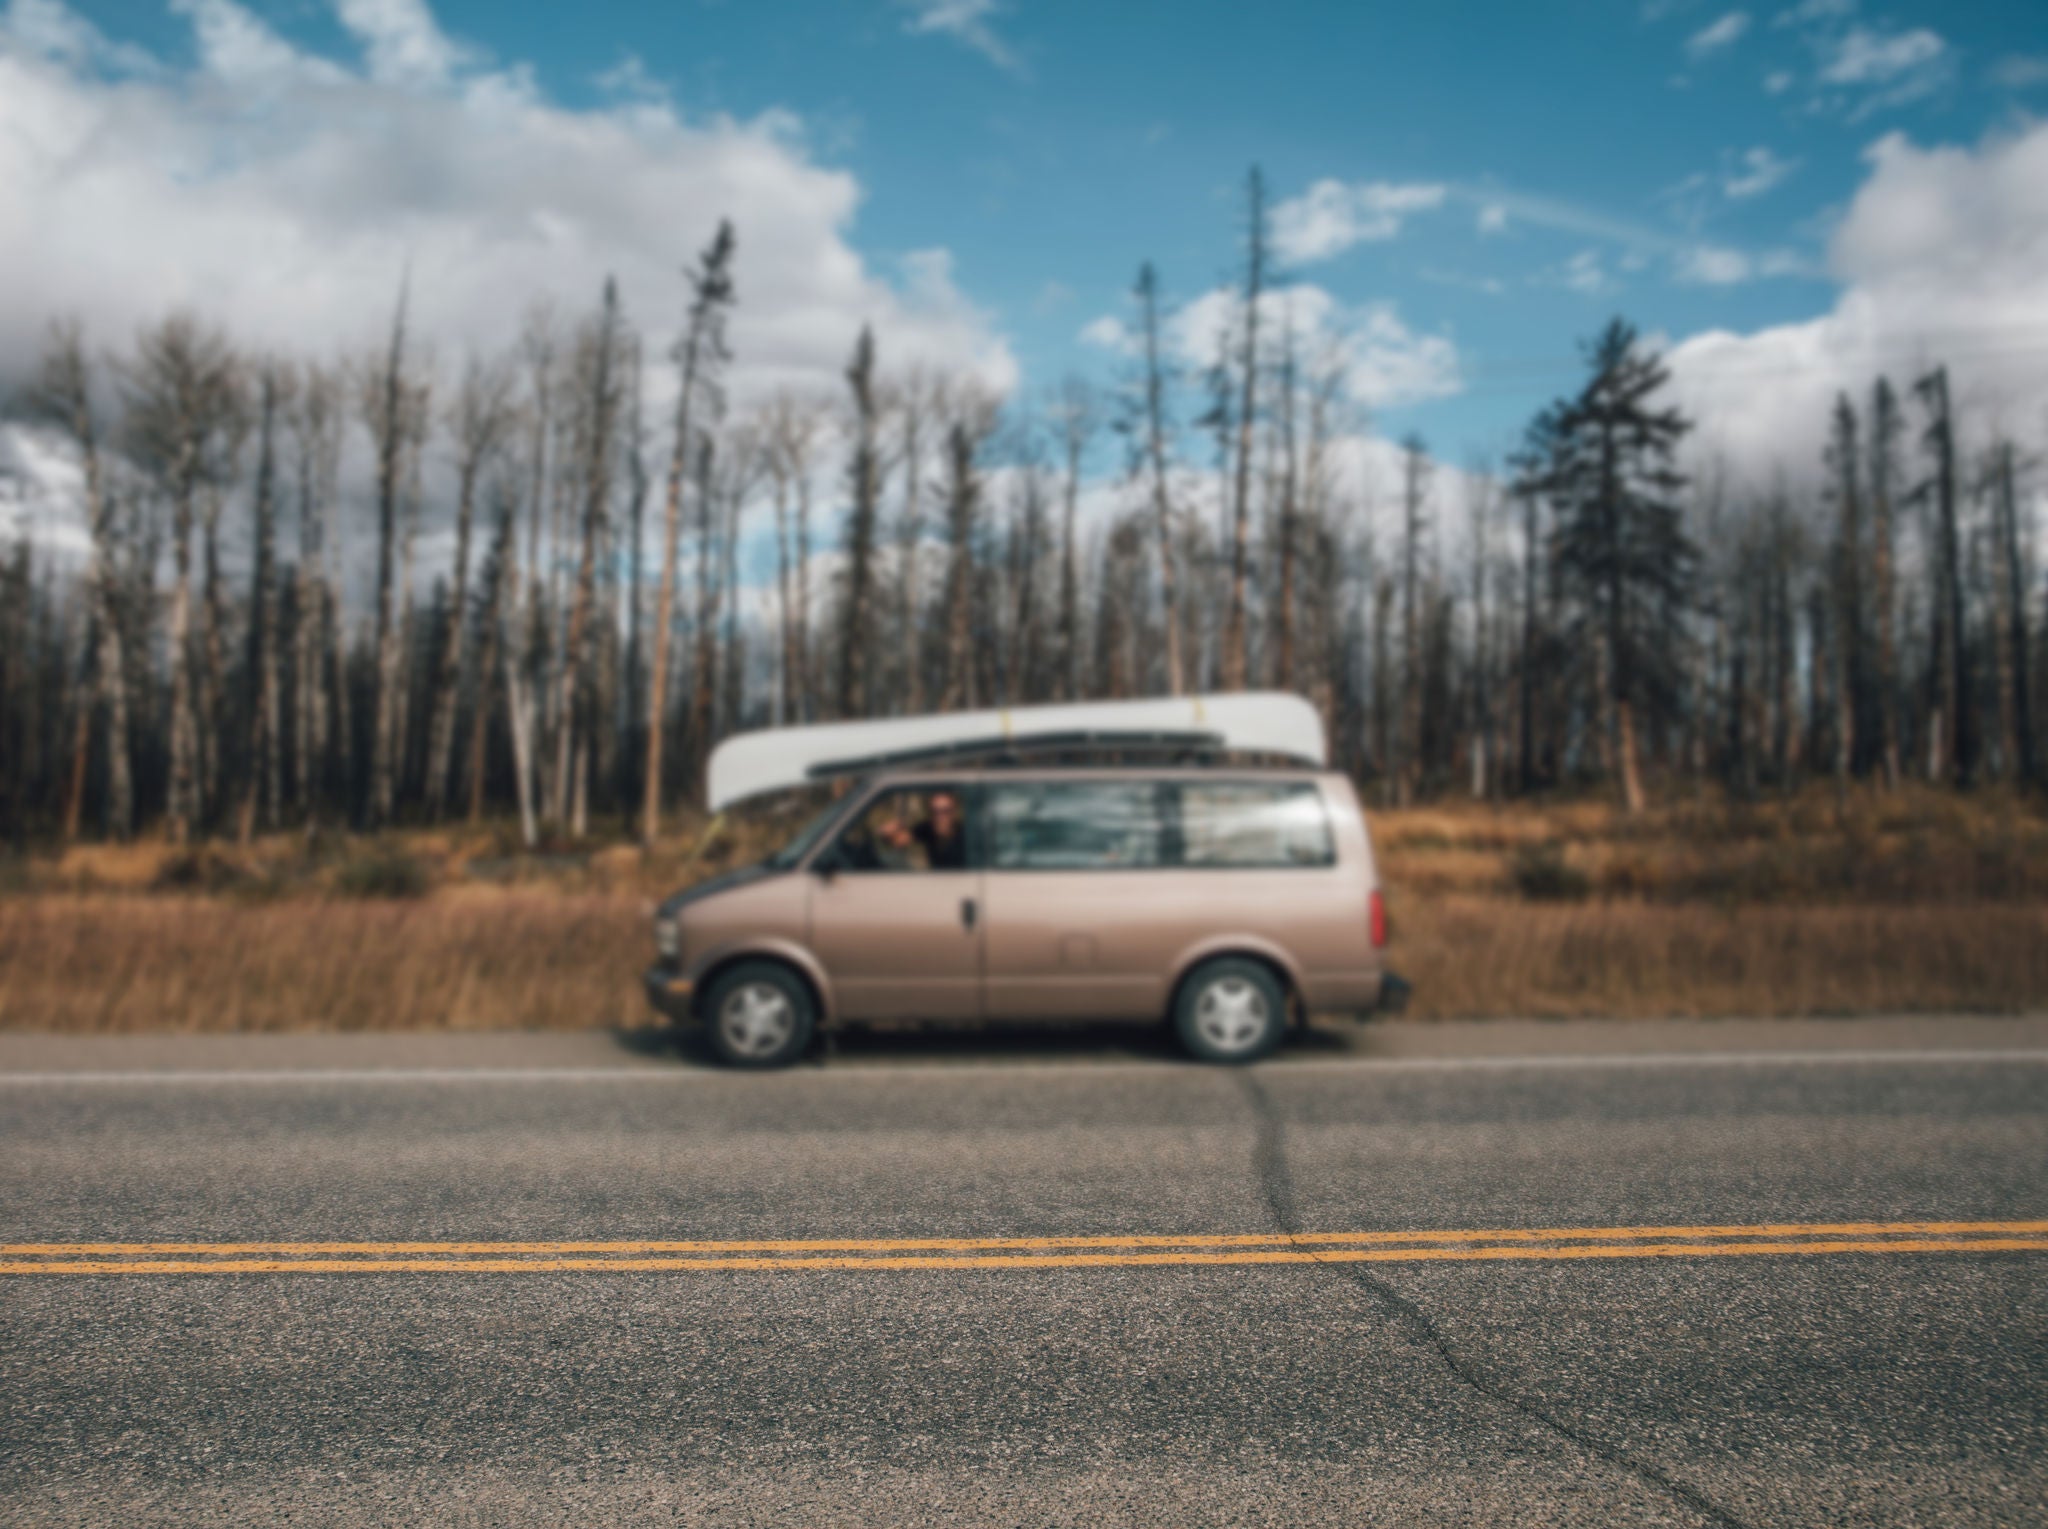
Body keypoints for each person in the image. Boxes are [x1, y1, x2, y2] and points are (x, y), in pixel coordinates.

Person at [878, 789, 967, 871]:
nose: (939, 817)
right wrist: (889, 831)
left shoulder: (967, 834)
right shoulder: (928, 828)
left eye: (945, 811)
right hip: (937, 882)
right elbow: (899, 840)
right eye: (934, 811)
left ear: (954, 812)